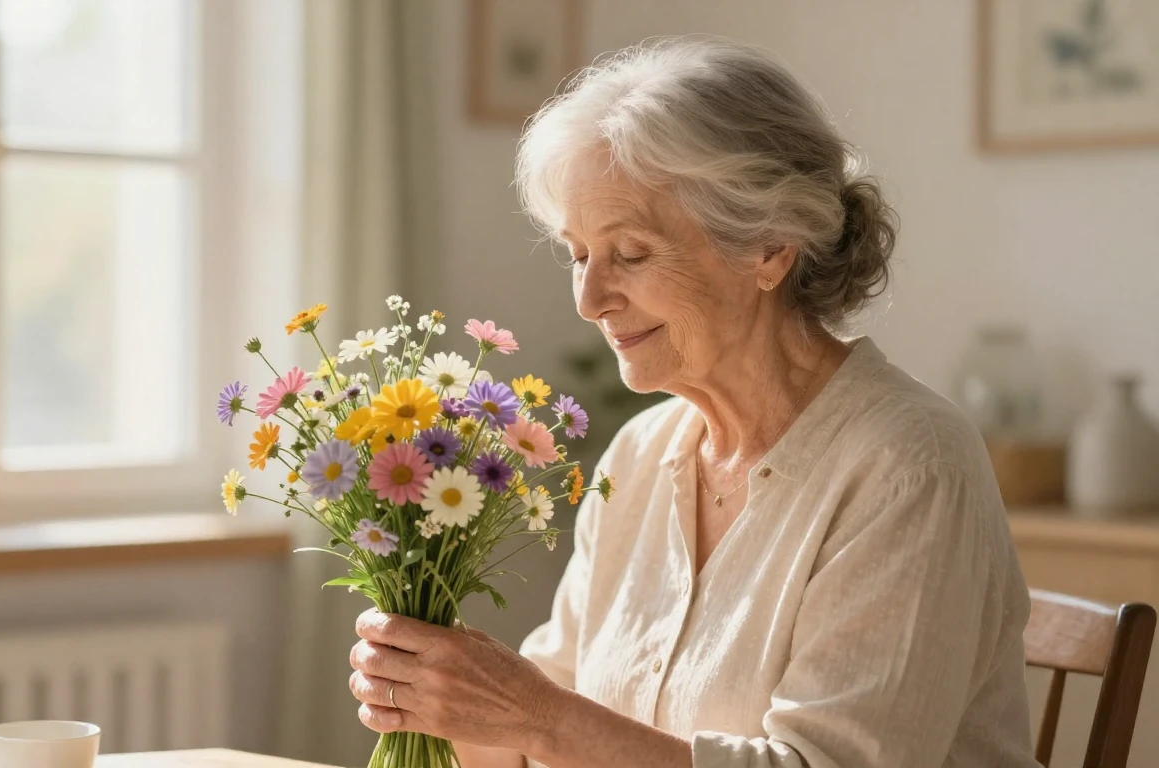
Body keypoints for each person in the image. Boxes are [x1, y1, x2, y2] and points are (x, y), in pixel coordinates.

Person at [347, 37, 1037, 767]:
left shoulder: (907, 465)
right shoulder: (642, 454)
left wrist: (535, 717)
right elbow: (531, 733)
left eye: (632, 254)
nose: (589, 300)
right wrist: (435, 691)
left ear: (770, 249)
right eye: (578, 255)